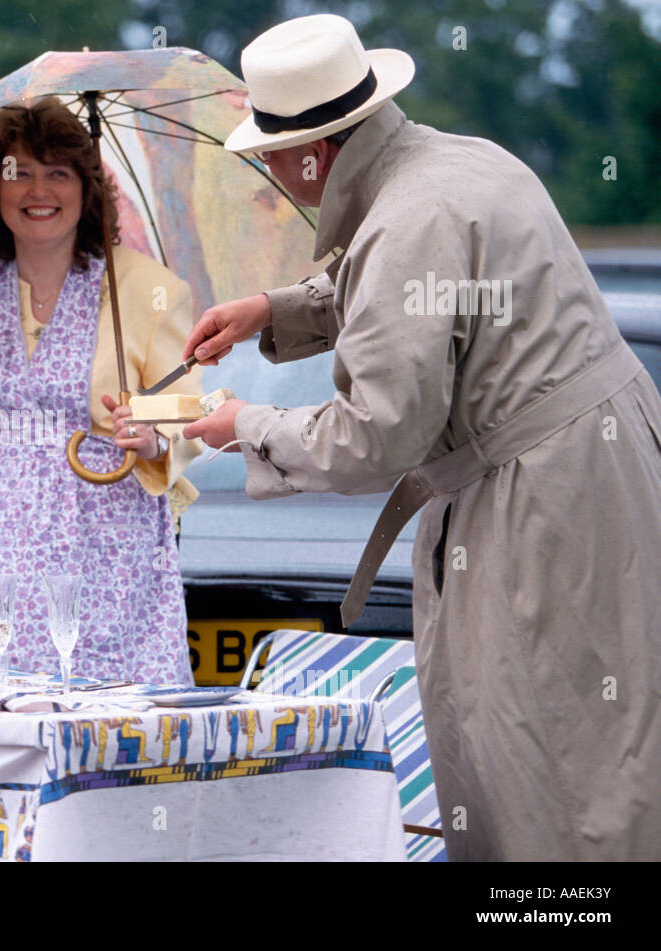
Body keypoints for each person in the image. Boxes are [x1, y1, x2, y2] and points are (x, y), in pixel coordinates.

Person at [182, 14, 661, 860]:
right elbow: (419, 298)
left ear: (317, 153)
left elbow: (376, 436)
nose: (268, 174)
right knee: (600, 753)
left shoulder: (409, 218)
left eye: (269, 157)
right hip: (588, 473)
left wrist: (242, 426)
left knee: (547, 771)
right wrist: (274, 309)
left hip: (539, 506)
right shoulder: (458, 161)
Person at [0, 98, 203, 685]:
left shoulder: (148, 288)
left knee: (105, 727)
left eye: (58, 172)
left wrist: (150, 440)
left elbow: (187, 424)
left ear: (87, 190)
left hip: (105, 555)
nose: (38, 190)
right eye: (20, 173)